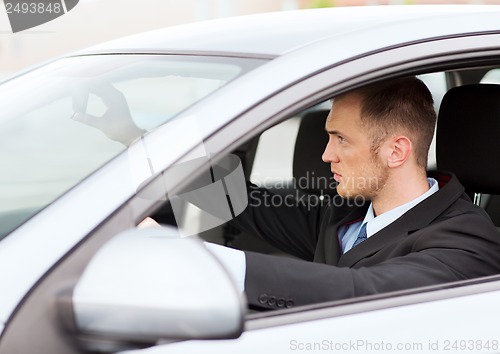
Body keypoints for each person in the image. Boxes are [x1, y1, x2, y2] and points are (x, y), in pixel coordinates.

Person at [210, 76, 500, 310]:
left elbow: (359, 289)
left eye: (341, 139)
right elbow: (247, 206)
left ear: (396, 151)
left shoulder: (467, 241)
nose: (326, 155)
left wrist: (197, 261)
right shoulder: (345, 213)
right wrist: (178, 162)